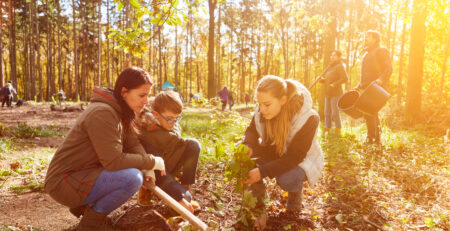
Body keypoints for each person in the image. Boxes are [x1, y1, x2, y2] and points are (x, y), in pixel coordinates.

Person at [44, 67, 166, 231]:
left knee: (136, 174)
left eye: (148, 95)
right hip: (63, 182)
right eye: (142, 95)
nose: (146, 101)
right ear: (124, 92)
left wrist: (147, 168)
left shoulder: (121, 110)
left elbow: (132, 143)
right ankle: (90, 225)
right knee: (132, 178)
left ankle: (88, 211)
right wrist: (152, 161)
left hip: (81, 174)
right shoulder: (102, 113)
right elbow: (114, 161)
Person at [242, 75, 323, 230]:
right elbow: (251, 130)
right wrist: (249, 144)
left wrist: (262, 171)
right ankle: (257, 205)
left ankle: (295, 195)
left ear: (283, 100)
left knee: (286, 179)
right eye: (259, 104)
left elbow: (294, 157)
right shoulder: (263, 110)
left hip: (301, 160)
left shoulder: (308, 118)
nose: (261, 109)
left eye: (267, 104)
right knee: (244, 155)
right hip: (275, 151)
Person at [136, 90, 201, 213]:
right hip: (155, 174)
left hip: (168, 164)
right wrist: (179, 197)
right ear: (155, 114)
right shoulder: (147, 135)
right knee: (184, 198)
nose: (174, 123)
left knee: (193, 145)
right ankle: (147, 192)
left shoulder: (170, 125)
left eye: (177, 118)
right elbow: (156, 169)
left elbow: (177, 145)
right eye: (170, 118)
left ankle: (185, 187)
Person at [355, 30, 392, 144]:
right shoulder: (366, 54)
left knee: (370, 112)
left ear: (375, 39)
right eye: (365, 37)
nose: (366, 39)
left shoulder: (381, 50)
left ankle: (372, 139)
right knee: (370, 113)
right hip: (367, 87)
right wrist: (359, 85)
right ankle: (375, 139)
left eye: (368, 37)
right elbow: (366, 73)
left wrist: (381, 79)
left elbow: (389, 68)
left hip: (377, 88)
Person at [319, 50, 348, 135]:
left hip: (336, 93)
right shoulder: (330, 67)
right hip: (328, 93)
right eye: (331, 55)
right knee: (327, 112)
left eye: (334, 56)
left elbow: (345, 78)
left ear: (339, 57)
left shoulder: (340, 66)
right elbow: (328, 80)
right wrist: (322, 80)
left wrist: (335, 84)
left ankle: (338, 129)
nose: (332, 57)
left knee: (335, 112)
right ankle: (327, 129)